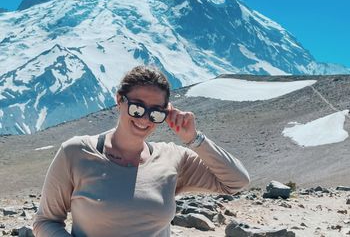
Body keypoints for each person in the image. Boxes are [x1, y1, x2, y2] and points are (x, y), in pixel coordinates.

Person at [33, 65, 250, 237]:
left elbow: (236, 182)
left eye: (156, 113)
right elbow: (45, 221)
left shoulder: (173, 158)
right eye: (137, 108)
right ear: (119, 100)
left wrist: (194, 139)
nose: (145, 119)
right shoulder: (77, 152)